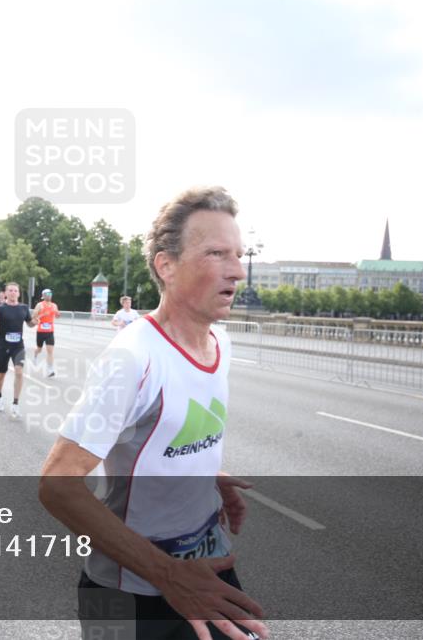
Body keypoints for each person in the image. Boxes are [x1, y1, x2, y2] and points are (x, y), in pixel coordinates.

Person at [38, 187, 268, 640]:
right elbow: (56, 484)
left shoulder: (221, 343)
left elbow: (167, 433)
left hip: (205, 564)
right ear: (166, 265)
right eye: (217, 253)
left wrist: (200, 476)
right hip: (133, 593)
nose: (238, 270)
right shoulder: (133, 358)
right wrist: (166, 575)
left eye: (239, 255)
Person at [0, 282, 36, 419]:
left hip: (18, 347)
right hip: (3, 346)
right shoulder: (0, 308)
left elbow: (30, 323)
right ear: (6, 293)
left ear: (19, 293)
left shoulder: (24, 308)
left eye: (15, 290)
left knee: (19, 372)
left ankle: (15, 404)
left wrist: (35, 322)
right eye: (10, 290)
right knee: (2, 374)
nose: (13, 293)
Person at [32, 288, 60, 377]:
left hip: (50, 331)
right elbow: (33, 316)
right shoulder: (39, 305)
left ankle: (50, 369)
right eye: (47, 294)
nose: (49, 295)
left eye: (50, 294)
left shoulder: (54, 305)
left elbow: (57, 316)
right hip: (40, 331)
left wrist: (58, 314)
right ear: (43, 296)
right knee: (39, 349)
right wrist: (42, 314)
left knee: (50, 351)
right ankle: (35, 355)